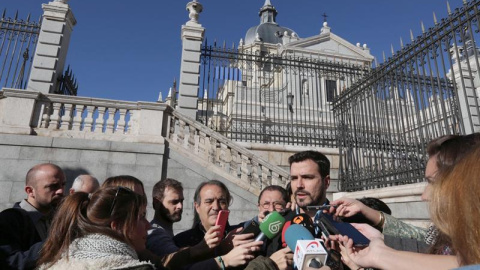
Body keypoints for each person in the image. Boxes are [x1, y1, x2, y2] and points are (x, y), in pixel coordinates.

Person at [336, 144, 480, 270]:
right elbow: (423, 243)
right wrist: (380, 239)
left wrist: (379, 257)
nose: (424, 195)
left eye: (433, 182)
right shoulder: (444, 234)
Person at [37, 186, 154, 269]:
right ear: (117, 225)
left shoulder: (55, 265)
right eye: (142, 217)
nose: (148, 225)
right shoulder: (136, 268)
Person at [174, 180, 263, 269]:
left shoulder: (241, 234)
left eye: (222, 201)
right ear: (197, 207)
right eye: (209, 201)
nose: (216, 207)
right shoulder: (181, 241)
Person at [0, 163, 65, 270]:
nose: (61, 191)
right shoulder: (9, 220)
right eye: (53, 186)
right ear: (30, 191)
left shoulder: (59, 217)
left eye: (63, 184)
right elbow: (11, 262)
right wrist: (55, 241)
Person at [147, 178, 185, 257]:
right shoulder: (155, 234)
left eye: (181, 201)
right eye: (174, 202)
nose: (180, 206)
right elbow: (179, 259)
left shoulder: (164, 231)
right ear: (157, 203)